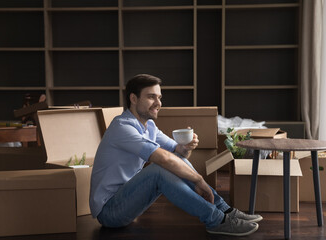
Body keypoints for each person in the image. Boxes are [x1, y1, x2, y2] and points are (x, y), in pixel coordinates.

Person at [89, 74, 262, 236]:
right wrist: (198, 180)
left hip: (128, 199)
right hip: (110, 212)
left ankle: (224, 210)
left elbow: (178, 153)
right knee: (159, 169)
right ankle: (217, 220)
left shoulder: (148, 126)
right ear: (133, 99)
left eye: (159, 97)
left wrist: (186, 146)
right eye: (151, 97)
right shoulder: (122, 127)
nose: (158, 103)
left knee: (173, 160)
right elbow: (163, 158)